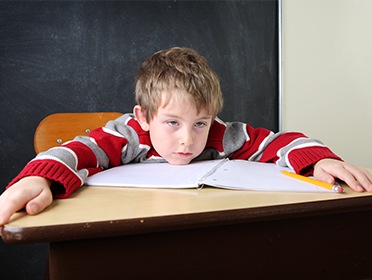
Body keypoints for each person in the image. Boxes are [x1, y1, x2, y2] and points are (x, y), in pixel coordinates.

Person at [1, 47, 371, 226]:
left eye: (200, 123)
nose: (187, 140)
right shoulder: (128, 134)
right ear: (144, 117)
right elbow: (80, 150)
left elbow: (275, 142)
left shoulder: (220, 134)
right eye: (173, 123)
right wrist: (41, 176)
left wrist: (319, 159)